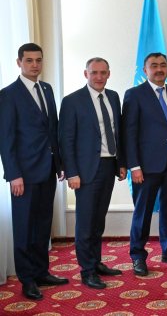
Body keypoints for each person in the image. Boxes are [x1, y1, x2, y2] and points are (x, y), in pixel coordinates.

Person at [0, 43, 66, 300]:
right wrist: (13, 174)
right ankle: (27, 280)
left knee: (42, 224)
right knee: (24, 228)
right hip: (23, 175)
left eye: (38, 60)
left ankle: (41, 272)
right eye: (29, 60)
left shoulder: (47, 89)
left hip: (48, 170)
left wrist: (59, 164)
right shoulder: (8, 94)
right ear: (19, 62)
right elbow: (6, 139)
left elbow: (53, 130)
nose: (35, 65)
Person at [123, 52, 167, 276]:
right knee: (143, 212)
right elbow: (129, 132)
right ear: (145, 70)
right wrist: (134, 166)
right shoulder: (134, 95)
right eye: (154, 65)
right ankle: (137, 255)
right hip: (146, 166)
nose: (159, 69)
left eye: (163, 65)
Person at [59, 57, 126, 289]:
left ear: (109, 74)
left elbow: (118, 132)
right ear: (85, 74)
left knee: (98, 220)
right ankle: (87, 270)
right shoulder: (72, 101)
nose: (99, 77)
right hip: (85, 170)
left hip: (108, 166)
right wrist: (71, 172)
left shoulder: (114, 97)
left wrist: (121, 163)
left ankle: (96, 262)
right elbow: (66, 140)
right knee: (86, 223)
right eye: (94, 72)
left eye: (103, 72)